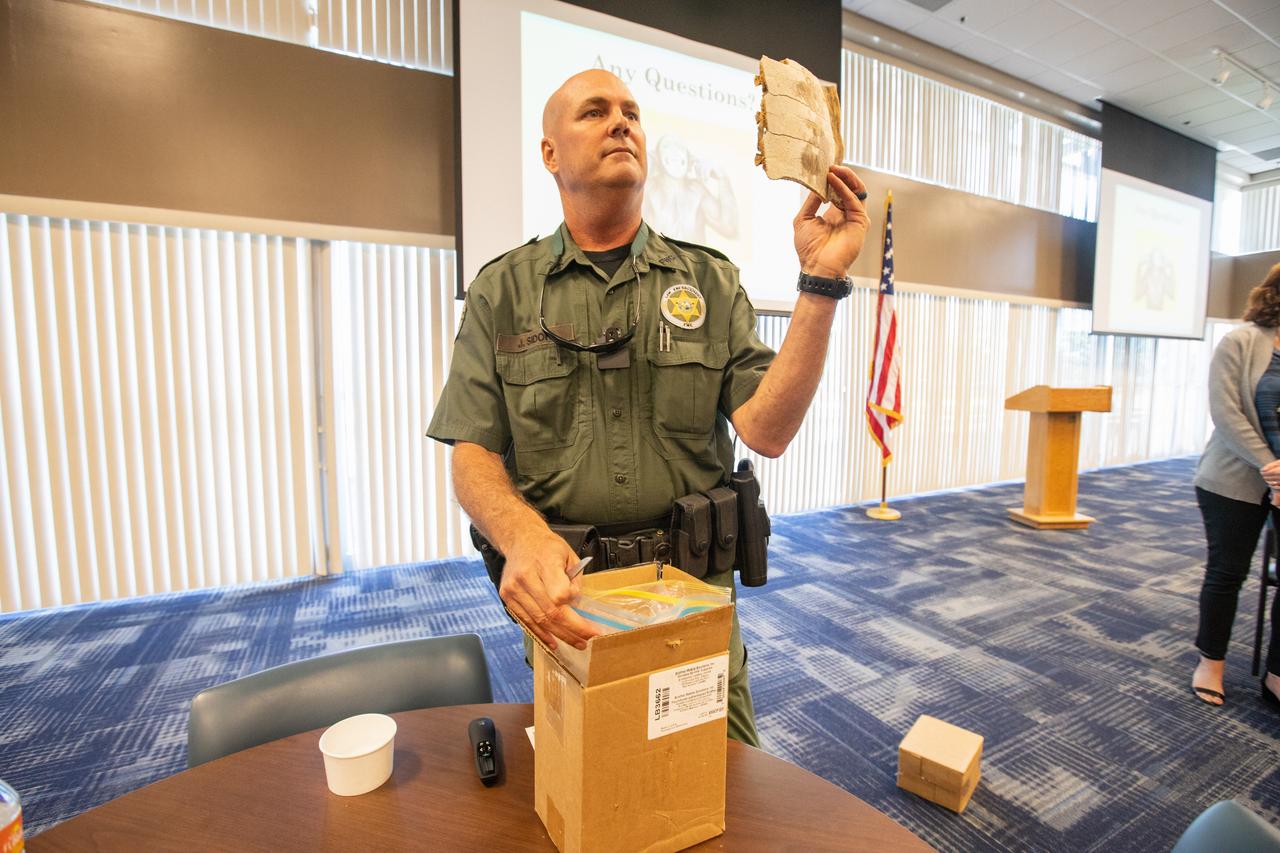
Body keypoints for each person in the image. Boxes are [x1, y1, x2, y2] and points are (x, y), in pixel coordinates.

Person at [427, 69, 869, 744]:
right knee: (588, 804)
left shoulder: (708, 280)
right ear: (550, 153)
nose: (621, 122)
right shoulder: (503, 291)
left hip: (690, 598)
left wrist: (821, 282)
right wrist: (519, 535)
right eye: (595, 111)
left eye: (631, 112)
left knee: (723, 798)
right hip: (573, 603)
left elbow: (768, 430)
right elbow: (473, 453)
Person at [1191, 262, 1280, 710]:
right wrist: (1271, 467)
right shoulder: (1241, 341)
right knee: (1228, 573)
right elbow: (1226, 414)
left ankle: (1278, 672)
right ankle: (1212, 662)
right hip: (1233, 479)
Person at [642, 134, 739, 244]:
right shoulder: (648, 189)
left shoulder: (697, 191)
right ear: (657, 157)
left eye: (679, 147)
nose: (675, 151)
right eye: (667, 146)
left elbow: (730, 229)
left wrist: (723, 179)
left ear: (688, 158)